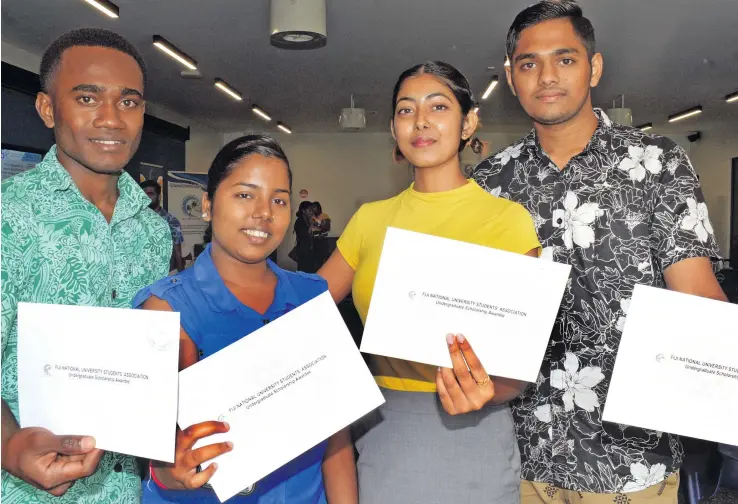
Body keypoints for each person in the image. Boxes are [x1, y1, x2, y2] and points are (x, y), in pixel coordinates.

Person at [472, 2, 728, 502]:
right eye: (529, 63)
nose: (546, 76)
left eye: (565, 59)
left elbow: (697, 294)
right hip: (522, 458)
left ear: (595, 67)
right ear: (510, 76)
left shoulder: (658, 164)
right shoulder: (490, 184)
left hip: (635, 462)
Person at [318, 61, 541, 504]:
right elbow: (304, 313)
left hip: (476, 430)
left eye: (438, 106)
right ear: (394, 128)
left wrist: (492, 391)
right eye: (406, 110)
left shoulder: (508, 221)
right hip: (386, 431)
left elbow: (521, 361)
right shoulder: (370, 220)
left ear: (468, 122)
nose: (421, 121)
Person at [133, 135, 357, 504]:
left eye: (279, 199)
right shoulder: (169, 308)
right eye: (244, 195)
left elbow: (337, 437)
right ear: (207, 205)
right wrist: (170, 473)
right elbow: (156, 454)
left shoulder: (311, 297)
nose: (263, 212)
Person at [1, 28, 172, 503]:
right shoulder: (9, 219)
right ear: (47, 109)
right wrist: (9, 446)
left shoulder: (153, 234)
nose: (112, 120)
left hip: (125, 491)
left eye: (129, 102)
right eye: (87, 97)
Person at [141, 179, 186, 271]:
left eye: (150, 194)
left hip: (164, 275)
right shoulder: (135, 220)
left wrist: (182, 277)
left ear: (159, 196)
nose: (146, 197)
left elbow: (177, 252)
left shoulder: (170, 221)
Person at [293, 200, 316, 272]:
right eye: (309, 210)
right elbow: (305, 235)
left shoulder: (306, 220)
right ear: (303, 211)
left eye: (312, 210)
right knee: (304, 271)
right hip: (303, 251)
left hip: (308, 250)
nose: (311, 212)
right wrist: (311, 225)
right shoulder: (300, 221)